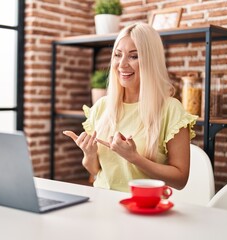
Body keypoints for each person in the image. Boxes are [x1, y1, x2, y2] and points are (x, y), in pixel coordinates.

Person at [63, 22, 197, 192]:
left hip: (145, 206)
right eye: (118, 55)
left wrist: (134, 158)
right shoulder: (102, 107)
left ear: (151, 60)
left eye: (134, 56)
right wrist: (88, 154)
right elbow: (95, 170)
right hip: (103, 204)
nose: (122, 64)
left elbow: (180, 180)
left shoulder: (170, 109)